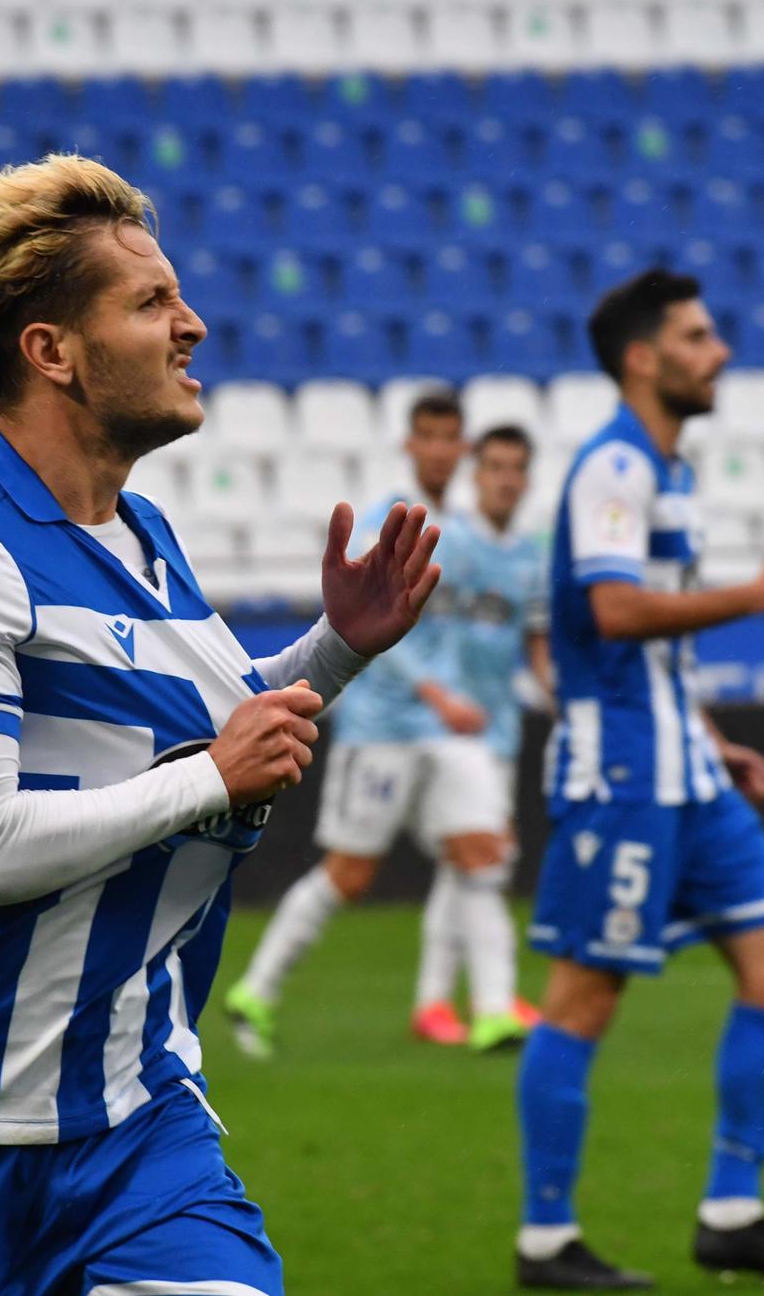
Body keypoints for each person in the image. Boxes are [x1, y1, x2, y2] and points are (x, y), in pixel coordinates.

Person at [0, 154, 439, 1296]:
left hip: (138, 1122)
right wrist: (211, 779)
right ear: (50, 351)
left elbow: (191, 730)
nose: (191, 324)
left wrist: (334, 649)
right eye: (150, 304)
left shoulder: (143, 537)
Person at [514, 269, 764, 1290]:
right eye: (699, 337)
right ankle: (544, 1240)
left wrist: (712, 736)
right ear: (644, 357)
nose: (720, 352)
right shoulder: (613, 466)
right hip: (620, 775)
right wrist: (758, 593)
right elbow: (611, 613)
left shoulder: (668, 471)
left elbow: (645, 648)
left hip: (685, 766)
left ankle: (731, 1213)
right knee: (582, 997)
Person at [226, 400, 552, 1057]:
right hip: (384, 725)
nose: (438, 449)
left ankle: (492, 1012)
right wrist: (435, 689)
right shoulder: (387, 520)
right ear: (410, 444)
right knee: (350, 874)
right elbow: (367, 623)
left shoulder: (460, 535)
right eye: (427, 436)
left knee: (483, 852)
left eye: (448, 438)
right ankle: (255, 990)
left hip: (448, 728)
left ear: (461, 448)